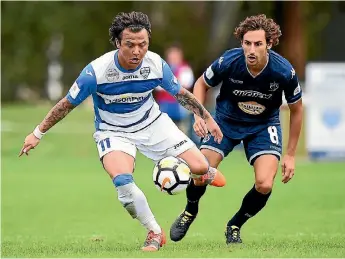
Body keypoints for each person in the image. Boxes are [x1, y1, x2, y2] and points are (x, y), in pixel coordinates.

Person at [19, 11, 226, 252]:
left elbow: (180, 94)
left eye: (143, 44)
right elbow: (66, 104)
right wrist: (37, 133)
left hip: (152, 123)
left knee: (199, 165)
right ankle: (155, 232)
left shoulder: (156, 64)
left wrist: (206, 117)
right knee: (123, 183)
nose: (137, 51)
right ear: (118, 43)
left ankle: (203, 172)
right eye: (130, 45)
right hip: (113, 131)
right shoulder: (96, 72)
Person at [170, 14, 303, 244]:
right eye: (247, 43)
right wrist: (200, 114)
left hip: (264, 125)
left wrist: (290, 154)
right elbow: (201, 83)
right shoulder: (229, 61)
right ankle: (190, 211)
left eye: (258, 44)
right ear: (241, 42)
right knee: (200, 172)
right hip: (225, 122)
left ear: (269, 44)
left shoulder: (283, 71)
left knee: (264, 184)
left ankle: (235, 224)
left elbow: (297, 110)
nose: (251, 49)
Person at [154, 44, 194, 133]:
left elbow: (186, 83)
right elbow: (157, 86)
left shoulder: (185, 69)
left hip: (180, 105)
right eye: (171, 54)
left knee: (181, 132)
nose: (173, 57)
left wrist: (167, 83)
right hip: (164, 105)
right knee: (163, 131)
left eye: (175, 55)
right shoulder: (161, 68)